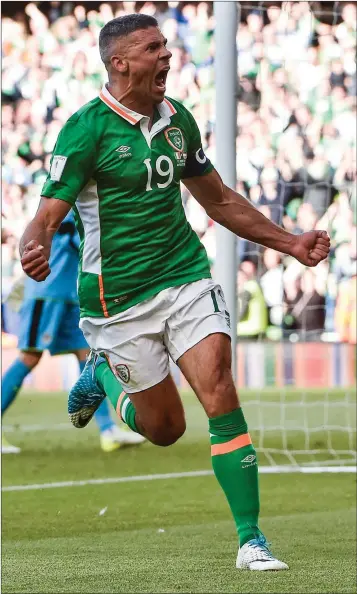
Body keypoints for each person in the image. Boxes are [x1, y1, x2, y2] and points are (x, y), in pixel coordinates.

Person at [19, 14, 330, 570]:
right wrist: (33, 246)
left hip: (184, 274)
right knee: (165, 429)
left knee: (220, 390)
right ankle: (105, 375)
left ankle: (250, 539)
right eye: (153, 48)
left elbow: (218, 201)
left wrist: (290, 242)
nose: (168, 55)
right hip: (118, 301)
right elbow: (47, 213)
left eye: (166, 45)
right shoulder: (85, 129)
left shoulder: (177, 119)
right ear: (120, 63)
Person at [2, 211, 145, 453]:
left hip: (68, 297)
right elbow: (80, 245)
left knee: (88, 356)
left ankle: (108, 430)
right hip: (47, 295)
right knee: (29, 357)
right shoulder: (67, 208)